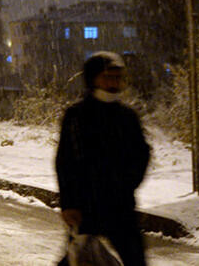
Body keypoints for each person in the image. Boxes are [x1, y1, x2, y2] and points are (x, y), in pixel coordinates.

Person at [55, 51, 151, 266]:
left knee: (135, 258)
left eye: (117, 77)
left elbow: (141, 154)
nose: (113, 83)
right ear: (92, 79)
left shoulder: (127, 117)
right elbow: (66, 161)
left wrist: (127, 183)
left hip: (120, 205)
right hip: (84, 207)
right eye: (107, 77)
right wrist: (69, 203)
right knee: (77, 258)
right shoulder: (77, 116)